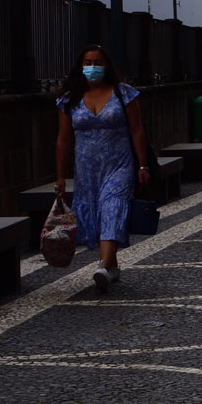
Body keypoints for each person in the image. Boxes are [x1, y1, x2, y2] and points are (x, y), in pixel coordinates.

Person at [55, 44, 150, 292]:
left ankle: (103, 267)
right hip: (86, 170)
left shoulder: (123, 94)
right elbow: (63, 139)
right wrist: (60, 175)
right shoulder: (69, 99)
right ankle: (113, 265)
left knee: (113, 207)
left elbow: (137, 130)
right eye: (87, 62)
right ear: (80, 66)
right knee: (97, 213)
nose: (92, 67)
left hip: (119, 164)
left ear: (107, 66)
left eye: (97, 62)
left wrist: (142, 164)